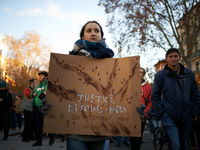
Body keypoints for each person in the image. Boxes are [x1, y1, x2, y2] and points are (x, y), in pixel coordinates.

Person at [66, 21, 114, 150]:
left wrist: (133, 106)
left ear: (101, 36)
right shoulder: (69, 61)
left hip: (101, 131)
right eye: (89, 31)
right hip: (76, 132)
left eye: (97, 31)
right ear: (82, 37)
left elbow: (118, 91)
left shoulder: (113, 63)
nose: (93, 33)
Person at [151, 48, 200, 150]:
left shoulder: (189, 74)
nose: (173, 59)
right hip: (169, 115)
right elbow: (154, 96)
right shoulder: (160, 75)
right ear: (167, 59)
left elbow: (195, 94)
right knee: (175, 145)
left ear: (179, 58)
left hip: (186, 115)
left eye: (175, 56)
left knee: (183, 146)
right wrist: (162, 113)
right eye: (170, 57)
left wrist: (193, 112)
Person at [31, 71, 55, 146]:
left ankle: (52, 136)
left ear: (46, 77)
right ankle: (39, 141)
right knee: (38, 125)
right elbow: (32, 94)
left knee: (46, 124)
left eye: (41, 75)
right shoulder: (37, 86)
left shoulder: (49, 84)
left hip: (45, 107)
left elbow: (53, 93)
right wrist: (33, 94)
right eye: (39, 76)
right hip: (37, 107)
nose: (40, 77)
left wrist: (47, 94)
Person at [130, 67, 152, 150]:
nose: (138, 74)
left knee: (138, 137)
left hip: (141, 116)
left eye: (140, 72)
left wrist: (145, 111)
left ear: (144, 75)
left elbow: (150, 102)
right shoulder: (130, 84)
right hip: (131, 115)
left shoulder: (148, 87)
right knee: (133, 137)